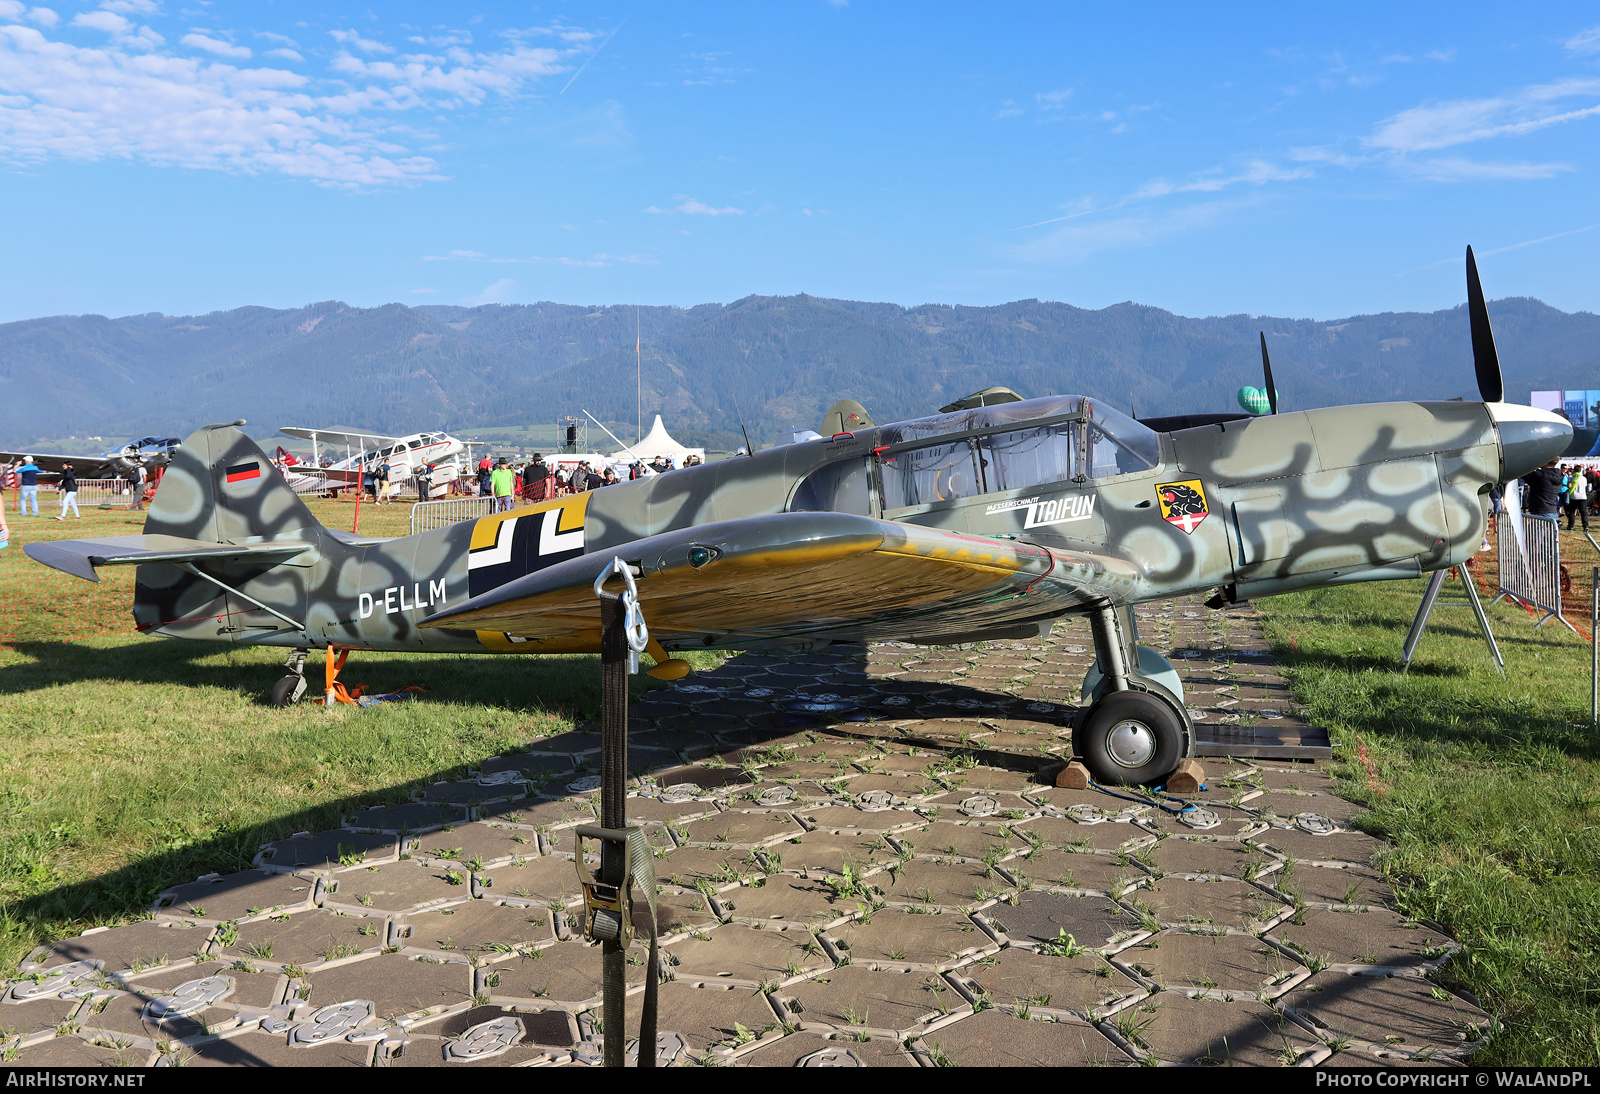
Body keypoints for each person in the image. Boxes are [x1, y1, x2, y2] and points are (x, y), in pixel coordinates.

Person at [1521, 458, 1563, 523]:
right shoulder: (1558, 475)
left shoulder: (1540, 475)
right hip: (1552, 512)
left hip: (1540, 513)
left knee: (1536, 533)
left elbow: (1523, 473)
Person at [1567, 463, 1591, 532]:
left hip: (1573, 497)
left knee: (1572, 512)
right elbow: (1586, 487)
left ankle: (1570, 525)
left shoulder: (1571, 477)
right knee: (1583, 512)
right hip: (1583, 497)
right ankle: (1585, 525)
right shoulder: (1584, 478)